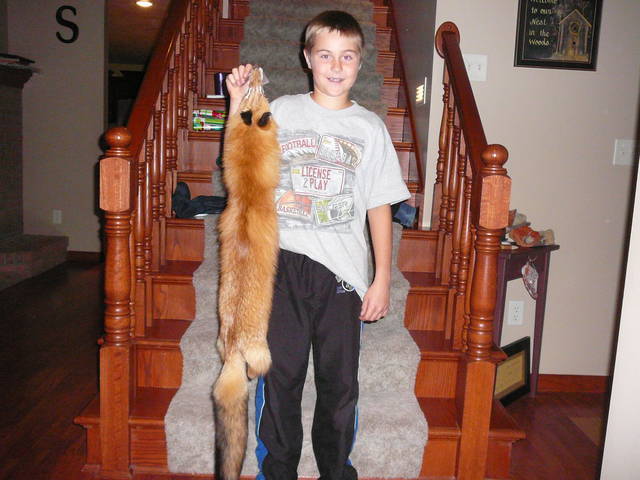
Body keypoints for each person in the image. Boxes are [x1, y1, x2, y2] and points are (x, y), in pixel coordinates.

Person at [225, 10, 410, 480]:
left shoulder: (370, 127)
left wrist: (382, 278)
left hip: (343, 276)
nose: (336, 66)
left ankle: (335, 470)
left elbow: (379, 206)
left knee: (339, 384)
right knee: (280, 379)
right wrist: (237, 101)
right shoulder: (284, 110)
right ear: (307, 58)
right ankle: (277, 472)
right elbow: (243, 157)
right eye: (325, 55)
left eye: (347, 56)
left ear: (360, 62)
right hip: (280, 268)